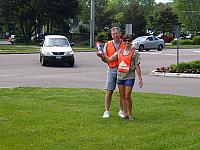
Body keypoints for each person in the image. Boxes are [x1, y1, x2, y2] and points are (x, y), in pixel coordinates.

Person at [102, 34, 143, 120]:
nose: (127, 42)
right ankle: (125, 113)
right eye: (125, 41)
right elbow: (109, 59)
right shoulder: (120, 51)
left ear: (131, 42)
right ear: (123, 42)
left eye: (129, 40)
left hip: (129, 76)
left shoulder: (134, 53)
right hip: (120, 76)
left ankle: (130, 114)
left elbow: (137, 66)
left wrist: (140, 78)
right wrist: (102, 55)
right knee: (122, 96)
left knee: (128, 95)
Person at [96, 27, 125, 118]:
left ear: (120, 33)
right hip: (111, 69)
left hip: (122, 70)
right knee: (109, 90)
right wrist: (101, 56)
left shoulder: (125, 44)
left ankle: (121, 111)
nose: (115, 35)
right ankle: (106, 111)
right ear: (111, 35)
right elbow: (105, 60)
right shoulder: (107, 44)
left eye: (116, 33)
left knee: (122, 92)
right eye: (113, 34)